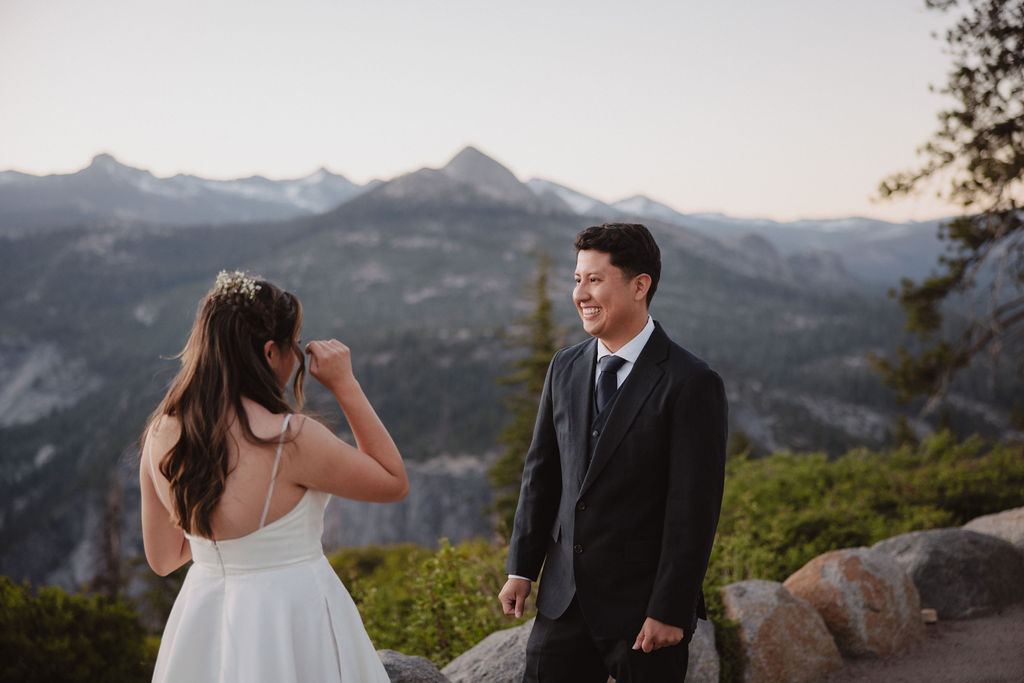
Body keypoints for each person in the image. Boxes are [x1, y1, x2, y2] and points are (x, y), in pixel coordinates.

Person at [140, 270, 408, 683]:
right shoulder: (290, 440)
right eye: (294, 344)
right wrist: (345, 384)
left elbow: (162, 560)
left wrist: (228, 548)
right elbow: (393, 481)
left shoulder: (162, 432)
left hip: (201, 622)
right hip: (291, 617)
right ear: (269, 353)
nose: (296, 355)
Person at [498, 223, 727, 682]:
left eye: (595, 279)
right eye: (576, 279)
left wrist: (669, 608)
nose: (580, 293)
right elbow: (541, 473)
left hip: (643, 612)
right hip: (563, 602)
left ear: (640, 285)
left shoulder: (690, 382)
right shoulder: (564, 366)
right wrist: (522, 567)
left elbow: (694, 510)